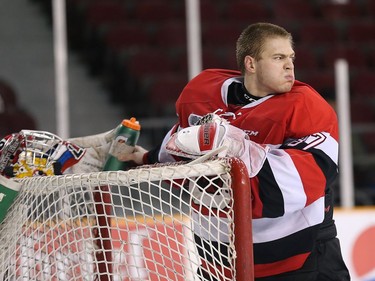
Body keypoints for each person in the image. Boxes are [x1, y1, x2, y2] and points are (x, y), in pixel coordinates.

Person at [120, 22, 350, 280]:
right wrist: (140, 156)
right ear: (251, 64)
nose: (289, 65)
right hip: (219, 263)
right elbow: (181, 141)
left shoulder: (307, 106)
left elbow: (302, 182)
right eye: (278, 57)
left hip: (299, 262)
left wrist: (234, 144)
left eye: (291, 57)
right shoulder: (203, 93)